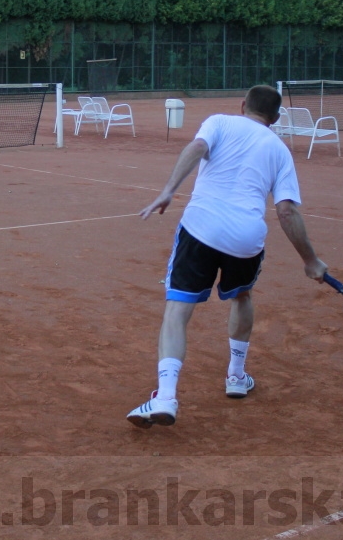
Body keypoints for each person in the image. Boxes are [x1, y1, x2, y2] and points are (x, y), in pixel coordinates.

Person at [126, 84, 326, 428]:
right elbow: (286, 212)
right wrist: (310, 260)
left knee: (177, 311)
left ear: (242, 105)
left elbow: (197, 147)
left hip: (201, 227)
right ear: (275, 118)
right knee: (242, 295)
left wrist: (168, 191)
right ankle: (236, 376)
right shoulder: (279, 150)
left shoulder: (218, 122)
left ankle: (166, 398)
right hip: (246, 238)